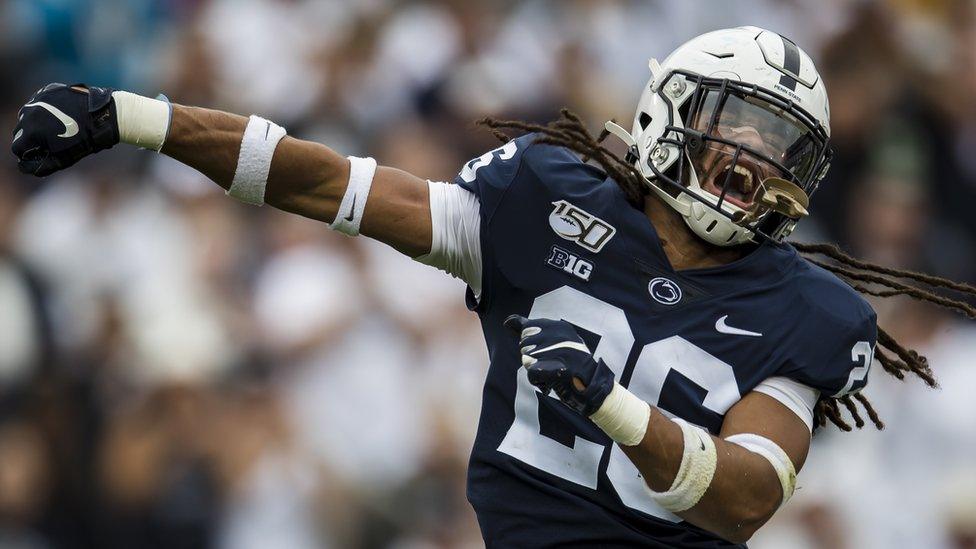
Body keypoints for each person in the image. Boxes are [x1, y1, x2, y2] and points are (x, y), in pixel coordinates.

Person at [10, 26, 972, 548]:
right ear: (672, 110)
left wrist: (616, 408)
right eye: (739, 131)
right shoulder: (534, 201)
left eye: (781, 153)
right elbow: (326, 181)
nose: (753, 168)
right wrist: (136, 115)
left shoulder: (805, 309)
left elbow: (747, 496)